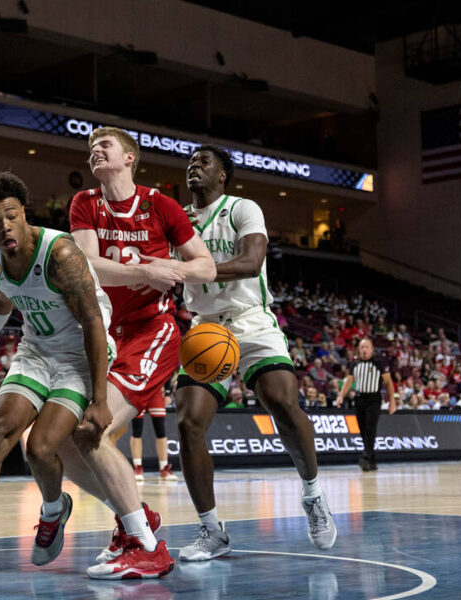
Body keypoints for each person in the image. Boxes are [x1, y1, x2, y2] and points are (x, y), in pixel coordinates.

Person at [0, 171, 173, 582]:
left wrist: (101, 400)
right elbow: (1, 298)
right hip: (35, 352)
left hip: (80, 355)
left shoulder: (61, 254)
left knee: (41, 447)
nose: (4, 227)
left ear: (23, 212)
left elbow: (91, 323)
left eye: (11, 216)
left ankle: (57, 512)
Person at [172, 145, 337, 561]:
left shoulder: (242, 208)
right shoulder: (178, 220)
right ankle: (212, 531)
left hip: (250, 319)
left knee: (282, 401)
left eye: (204, 161)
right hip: (206, 327)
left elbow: (251, 261)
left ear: (224, 175)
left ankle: (313, 495)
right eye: (190, 161)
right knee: (189, 423)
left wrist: (193, 269)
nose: (194, 166)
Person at [65, 127, 215, 574]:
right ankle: (135, 520)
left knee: (91, 430)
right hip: (105, 336)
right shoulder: (85, 202)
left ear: (129, 158)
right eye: (91, 147)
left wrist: (173, 269)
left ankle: (148, 548)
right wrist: (147, 270)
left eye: (105, 146)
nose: (95, 151)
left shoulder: (161, 205)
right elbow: (86, 264)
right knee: (61, 444)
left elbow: (205, 265)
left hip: (152, 330)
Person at [336, 338, 397, 472]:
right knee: (363, 430)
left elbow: (388, 383)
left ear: (371, 349)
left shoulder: (378, 363)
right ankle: (372, 460)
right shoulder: (355, 364)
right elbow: (348, 382)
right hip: (359, 399)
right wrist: (341, 396)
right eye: (362, 347)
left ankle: (365, 456)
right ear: (359, 349)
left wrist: (392, 401)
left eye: (367, 347)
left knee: (370, 428)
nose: (364, 349)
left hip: (374, 399)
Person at [129, 403, 177, 482]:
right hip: (138, 393)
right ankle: (137, 467)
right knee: (137, 429)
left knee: (160, 430)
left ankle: (164, 468)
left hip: (155, 393)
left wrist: (168, 392)